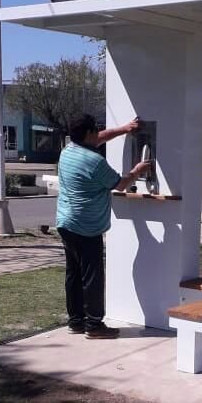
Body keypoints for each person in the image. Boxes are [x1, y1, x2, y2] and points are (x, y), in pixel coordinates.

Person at [56, 114, 151, 339]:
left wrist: (125, 129)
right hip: (86, 227)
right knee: (92, 276)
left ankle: (76, 322)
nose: (98, 133)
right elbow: (120, 184)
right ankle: (95, 325)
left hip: (65, 222)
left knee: (74, 273)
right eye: (95, 130)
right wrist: (138, 170)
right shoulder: (94, 162)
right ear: (89, 133)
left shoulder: (67, 151)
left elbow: (99, 139)